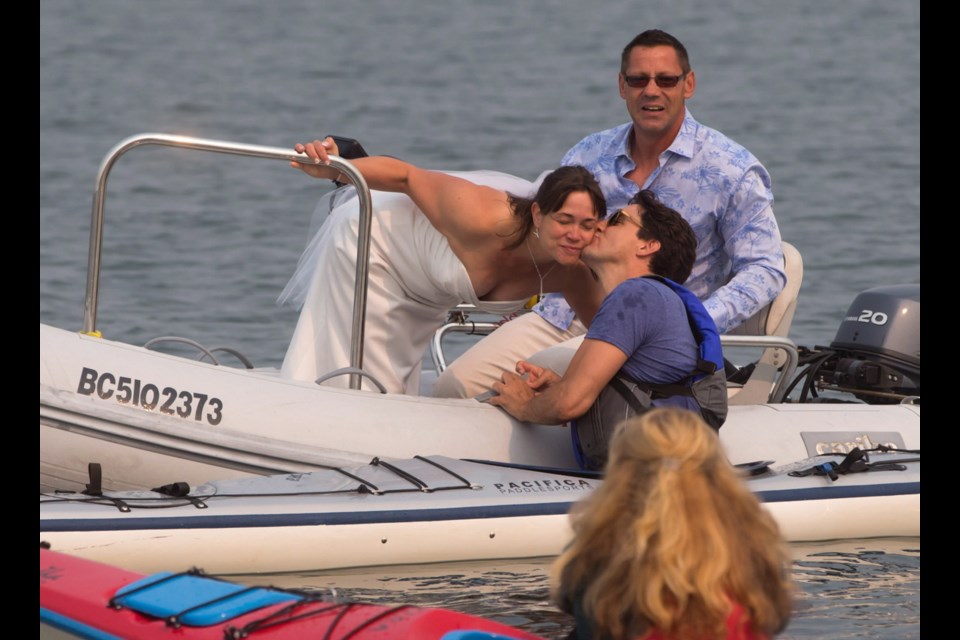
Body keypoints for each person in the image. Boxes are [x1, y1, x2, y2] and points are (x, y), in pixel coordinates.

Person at [433, 29, 786, 399]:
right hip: (562, 315)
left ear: (689, 84)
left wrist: (694, 321)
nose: (651, 90)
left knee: (533, 390)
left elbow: (766, 269)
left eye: (666, 79)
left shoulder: (732, 169)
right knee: (452, 388)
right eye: (638, 79)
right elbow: (541, 232)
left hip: (653, 331)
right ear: (622, 85)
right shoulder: (587, 153)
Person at [281, 137, 605, 394]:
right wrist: (337, 169)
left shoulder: (570, 274)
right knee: (363, 377)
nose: (575, 235)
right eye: (565, 221)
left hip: (427, 289)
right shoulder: (482, 216)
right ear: (537, 214)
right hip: (379, 244)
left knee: (395, 381)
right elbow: (406, 176)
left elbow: (608, 334)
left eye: (587, 225)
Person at [489, 191, 726, 470]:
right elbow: (644, 386)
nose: (597, 225)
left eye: (616, 219)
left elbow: (570, 404)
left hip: (649, 475)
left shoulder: (635, 295)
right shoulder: (653, 298)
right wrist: (561, 386)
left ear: (647, 245)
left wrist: (525, 405)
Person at [552, 408, 793, 640]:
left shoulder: (597, 549)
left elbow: (572, 605)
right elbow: (777, 618)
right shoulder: (757, 545)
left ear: (623, 474)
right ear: (717, 470)